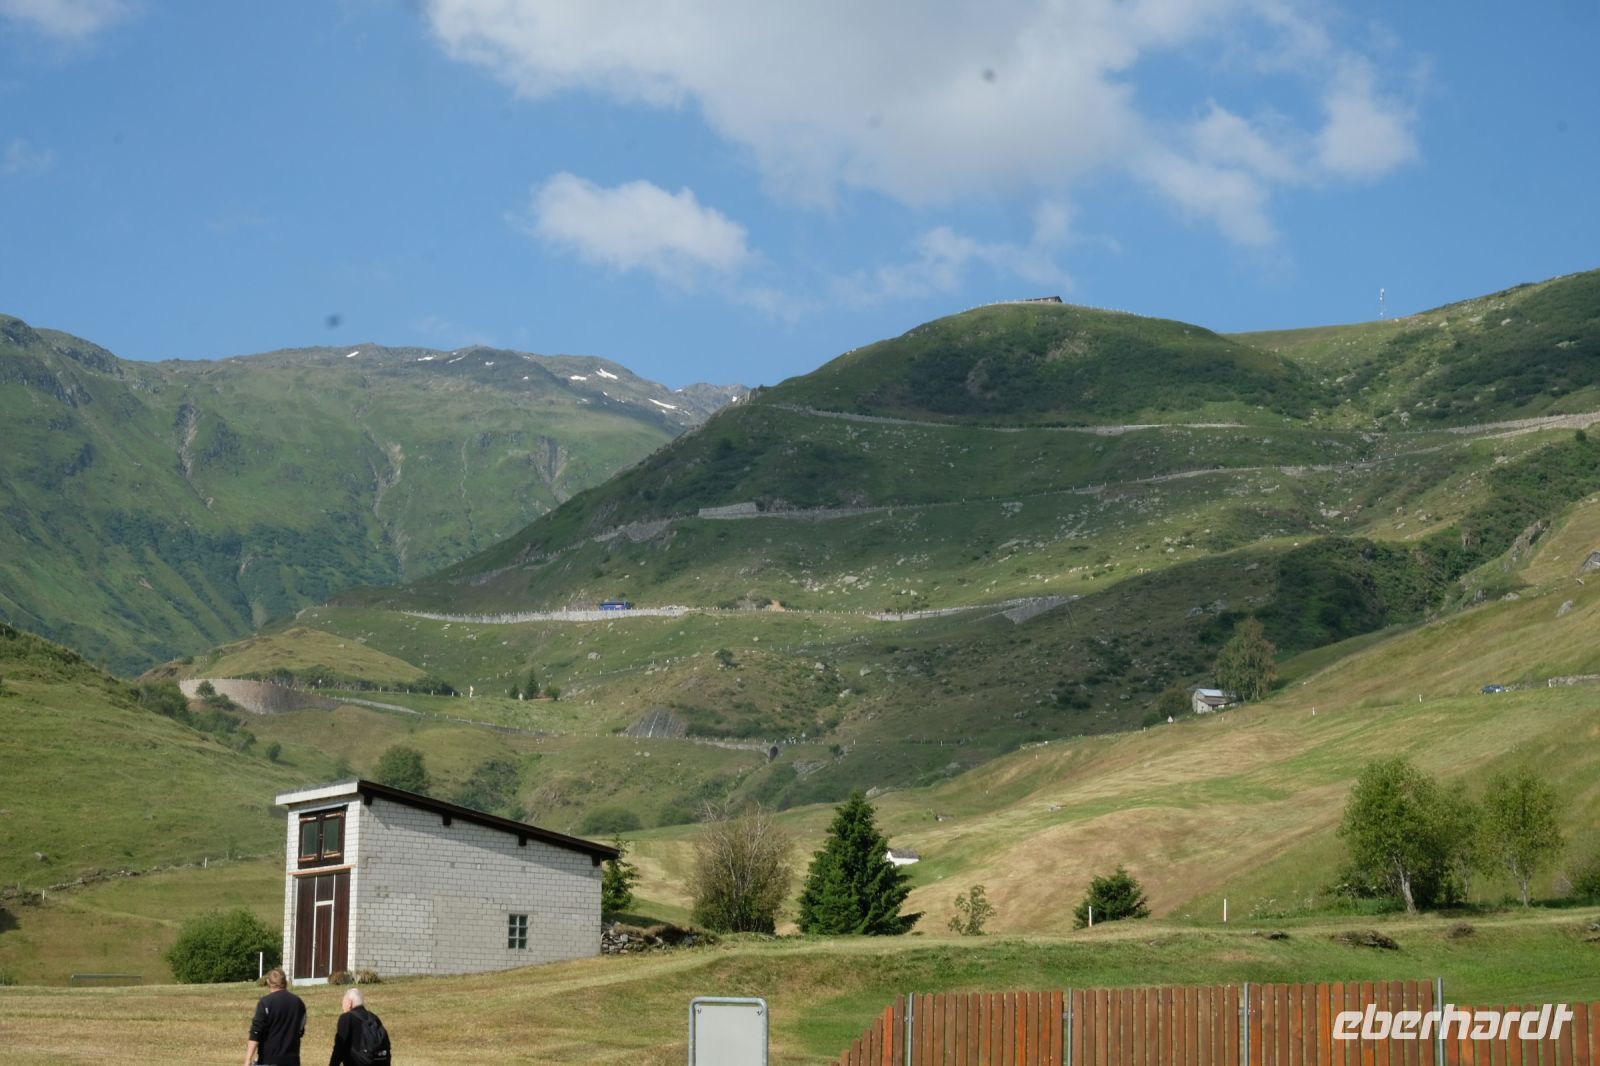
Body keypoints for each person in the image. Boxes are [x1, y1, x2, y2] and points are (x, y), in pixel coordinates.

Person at [245, 968, 306, 1066]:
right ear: (285, 982)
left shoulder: (265, 1003)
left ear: (268, 982)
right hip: (292, 1059)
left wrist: (248, 1059)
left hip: (270, 1059)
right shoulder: (298, 1002)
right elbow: (300, 1030)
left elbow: (256, 1032)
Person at [328, 987, 390, 1066]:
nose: (342, 1006)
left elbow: (339, 1047)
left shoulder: (347, 1018)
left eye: (343, 1003)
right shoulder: (374, 1017)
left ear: (349, 1003)